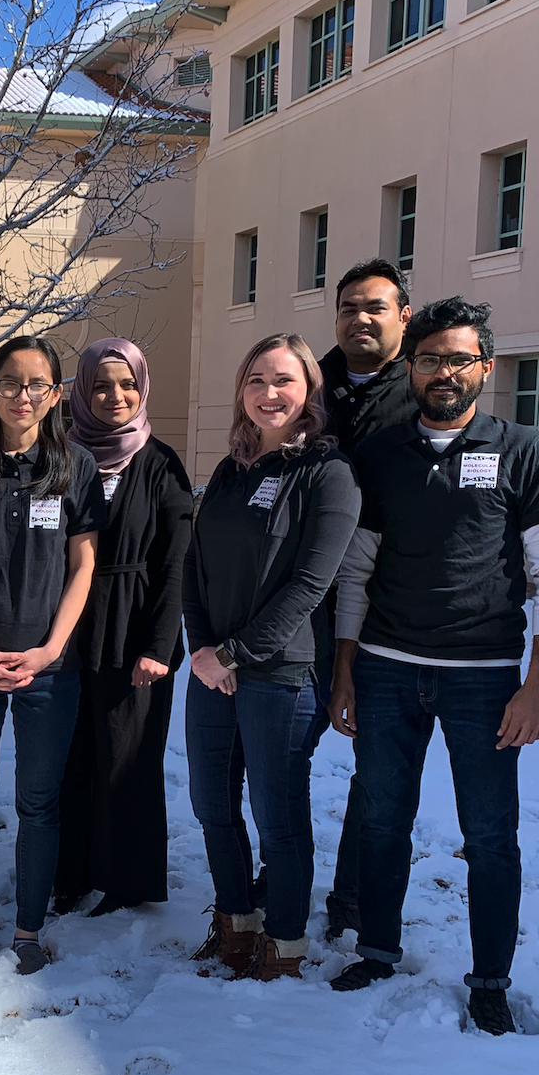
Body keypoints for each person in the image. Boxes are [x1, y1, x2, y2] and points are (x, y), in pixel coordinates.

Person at [327, 298, 539, 1036]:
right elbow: (355, 572)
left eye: (459, 358)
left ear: (486, 368)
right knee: (380, 819)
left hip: (485, 678)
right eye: (431, 358)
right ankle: (377, 949)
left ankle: (491, 981)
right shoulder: (379, 456)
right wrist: (344, 670)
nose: (444, 371)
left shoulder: (524, 450)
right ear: (411, 367)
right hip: (384, 669)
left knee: (492, 836)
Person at [181, 334, 360, 981]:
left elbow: (310, 585)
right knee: (211, 805)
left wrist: (235, 651)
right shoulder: (231, 470)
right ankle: (236, 924)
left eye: (283, 379)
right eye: (256, 379)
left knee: (276, 819)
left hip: (279, 674)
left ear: (309, 390)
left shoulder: (328, 474)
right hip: (212, 670)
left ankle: (283, 943)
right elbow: (194, 566)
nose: (269, 392)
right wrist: (204, 649)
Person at [0, 336, 105, 975]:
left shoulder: (74, 467)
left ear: (55, 394)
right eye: (9, 382)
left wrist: (51, 649)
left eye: (36, 384)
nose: (22, 394)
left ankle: (28, 930)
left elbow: (83, 565)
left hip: (48, 671)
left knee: (39, 804)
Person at [53, 338, 193, 916]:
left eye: (127, 384)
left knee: (127, 760)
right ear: (82, 391)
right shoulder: (59, 456)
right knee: (71, 757)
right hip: (65, 631)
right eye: (102, 385)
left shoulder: (160, 463)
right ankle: (71, 872)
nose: (115, 396)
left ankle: (124, 880)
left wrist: (159, 646)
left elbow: (176, 563)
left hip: (135, 632)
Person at [316, 259, 420, 939]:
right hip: (299, 596)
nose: (362, 318)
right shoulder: (308, 386)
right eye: (350, 306)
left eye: (376, 307)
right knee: (282, 747)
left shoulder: (423, 390)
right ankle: (283, 864)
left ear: (403, 316)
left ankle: (355, 894)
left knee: (375, 763)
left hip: (388, 601)